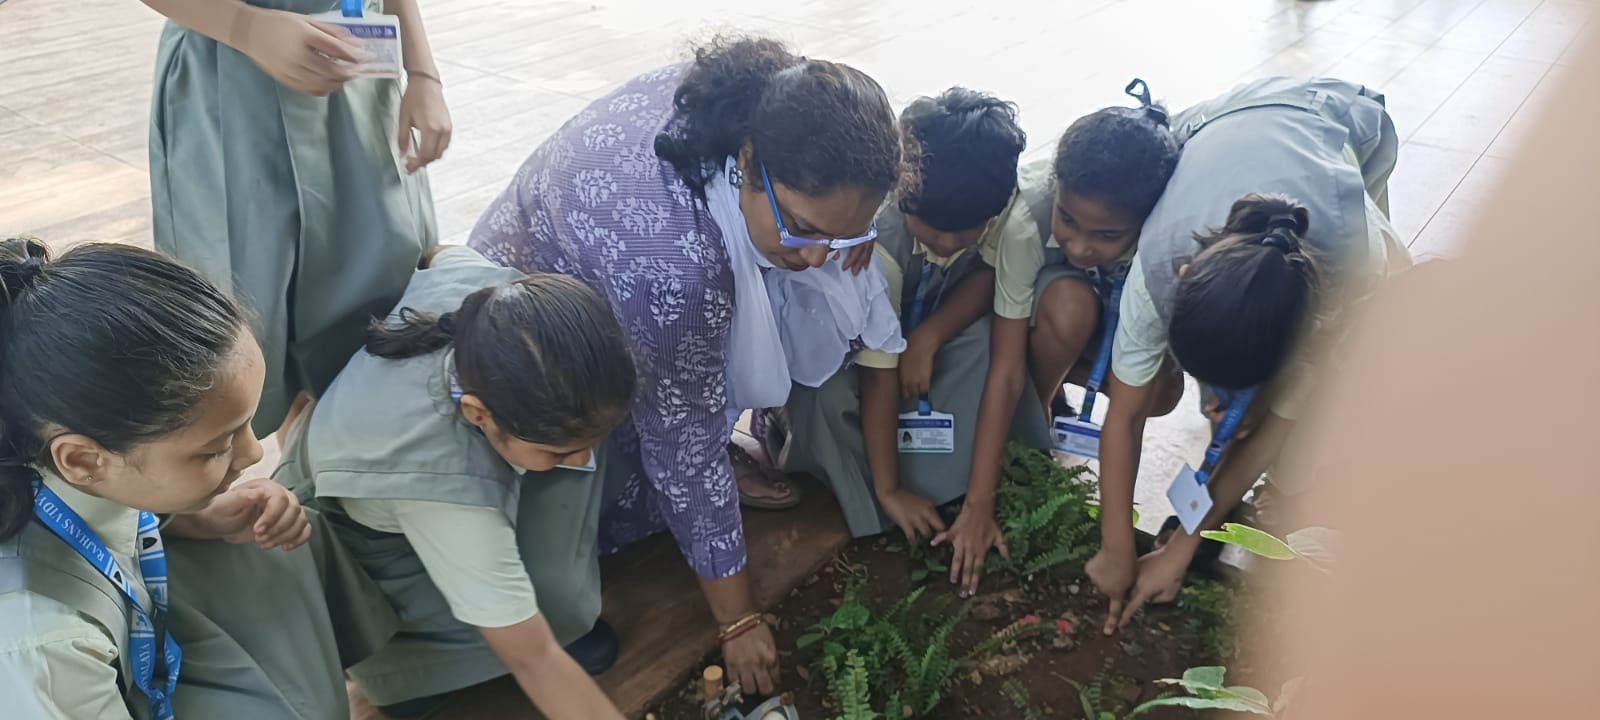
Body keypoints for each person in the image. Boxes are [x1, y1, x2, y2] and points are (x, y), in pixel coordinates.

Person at [467, 35, 903, 695]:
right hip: (535, 346)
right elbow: (682, 447)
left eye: (845, 234)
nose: (819, 257)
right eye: (806, 230)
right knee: (636, 466)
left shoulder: (760, 96)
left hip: (592, 279)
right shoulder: (677, 272)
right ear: (749, 161)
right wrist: (737, 620)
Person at [0, 238, 396, 719]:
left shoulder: (37, 439)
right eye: (216, 447)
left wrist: (192, 516)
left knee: (281, 542)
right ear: (83, 460)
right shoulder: (39, 641)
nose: (253, 454)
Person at [1086, 77, 1411, 635]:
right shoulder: (1161, 261)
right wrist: (1116, 543)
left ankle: (1274, 494)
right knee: (1238, 385)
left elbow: (1277, 422)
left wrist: (1181, 548)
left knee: (1320, 405)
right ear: (1184, 279)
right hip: (1230, 119)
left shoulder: (1356, 275)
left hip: (1342, 125)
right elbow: (1127, 412)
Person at [274, 245, 632, 718]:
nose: (583, 459)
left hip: (384, 458)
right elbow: (533, 658)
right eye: (559, 450)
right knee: (517, 613)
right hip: (360, 539)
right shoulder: (444, 492)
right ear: (477, 413)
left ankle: (544, 620)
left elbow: (442, 254)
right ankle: (405, 674)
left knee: (547, 562)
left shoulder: (497, 306)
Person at [144, 0, 449, 439]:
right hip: (229, 69)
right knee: (251, 314)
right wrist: (245, 26)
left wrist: (423, 72)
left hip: (359, 69)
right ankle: (294, 475)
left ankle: (332, 474)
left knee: (382, 302)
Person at [938, 81, 1188, 595]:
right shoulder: (1027, 219)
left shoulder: (1168, 242)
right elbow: (1005, 372)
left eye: (1107, 236)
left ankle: (1060, 395)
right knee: (1069, 306)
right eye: (1068, 221)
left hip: (1113, 318)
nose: (1079, 244)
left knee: (1163, 392)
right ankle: (1042, 416)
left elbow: (1143, 404)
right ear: (1056, 186)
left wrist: (1115, 540)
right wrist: (978, 503)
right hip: (1047, 311)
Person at [778, 88, 1053, 543]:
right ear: (902, 195)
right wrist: (890, 490)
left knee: (985, 345)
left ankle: (963, 478)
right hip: (857, 352)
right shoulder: (876, 247)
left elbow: (987, 275)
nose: (946, 244)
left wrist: (929, 337)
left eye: (964, 231)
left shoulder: (1004, 210)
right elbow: (878, 375)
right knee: (824, 393)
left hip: (925, 333)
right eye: (933, 228)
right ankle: (871, 491)